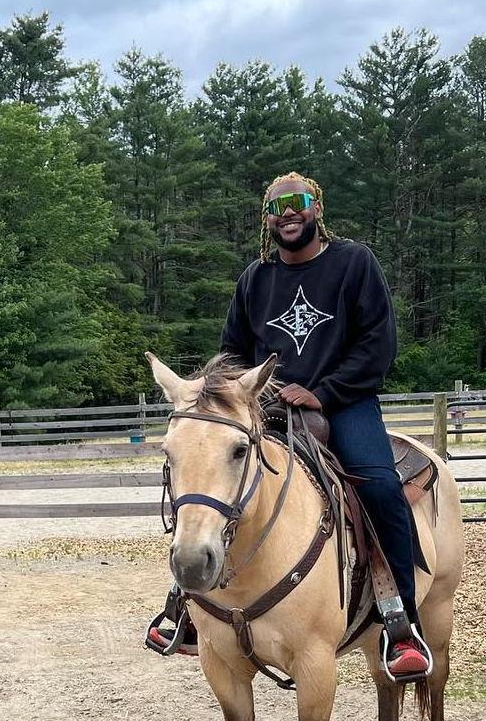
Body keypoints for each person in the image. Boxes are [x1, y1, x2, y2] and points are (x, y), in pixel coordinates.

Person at [147, 171, 430, 680]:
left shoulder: (354, 263)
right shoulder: (255, 279)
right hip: (266, 407)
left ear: (316, 207)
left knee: (380, 486)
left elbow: (376, 344)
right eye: (277, 207)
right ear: (268, 219)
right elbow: (232, 354)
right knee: (219, 479)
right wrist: (238, 395)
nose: (288, 213)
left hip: (344, 404)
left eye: (298, 202)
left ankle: (399, 620)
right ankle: (187, 600)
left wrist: (324, 392)